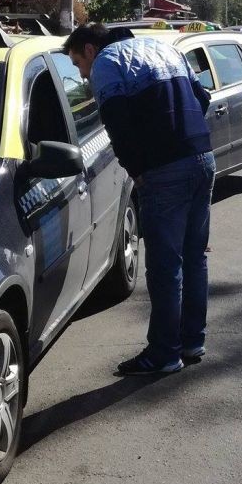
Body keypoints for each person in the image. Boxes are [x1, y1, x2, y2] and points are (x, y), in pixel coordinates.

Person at [65, 23, 216, 376]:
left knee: (165, 266)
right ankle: (192, 339)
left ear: (90, 49)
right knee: (194, 257)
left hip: (164, 169)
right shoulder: (165, 49)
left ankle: (164, 353)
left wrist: (137, 168)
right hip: (202, 159)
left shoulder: (106, 62)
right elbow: (203, 98)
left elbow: (116, 121)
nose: (83, 75)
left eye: (77, 65)